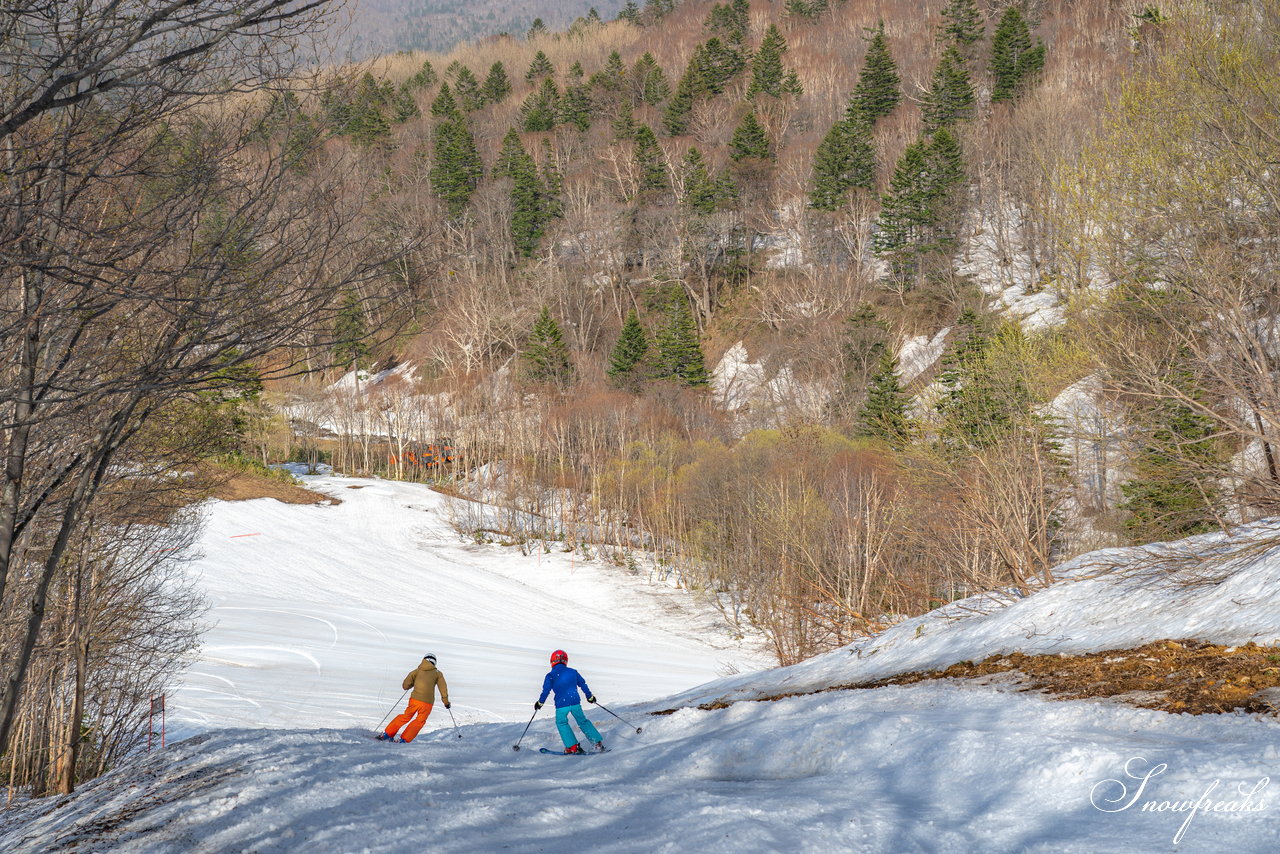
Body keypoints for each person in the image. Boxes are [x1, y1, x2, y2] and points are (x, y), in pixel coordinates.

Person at [535, 649, 604, 754]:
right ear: (565, 661)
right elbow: (583, 684)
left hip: (561, 705)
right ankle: (597, 744)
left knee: (561, 722)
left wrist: (540, 703)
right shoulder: (573, 672)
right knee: (583, 721)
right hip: (575, 702)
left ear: (552, 661)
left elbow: (546, 691)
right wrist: (589, 696)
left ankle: (572, 747)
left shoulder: (550, 675)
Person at [379, 653, 450, 743]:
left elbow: (405, 685)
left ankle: (387, 734)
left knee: (405, 716)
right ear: (434, 663)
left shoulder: (417, 671)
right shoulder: (438, 674)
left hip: (415, 700)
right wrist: (446, 701)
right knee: (419, 721)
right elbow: (443, 687)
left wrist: (410, 685)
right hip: (427, 703)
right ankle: (403, 740)